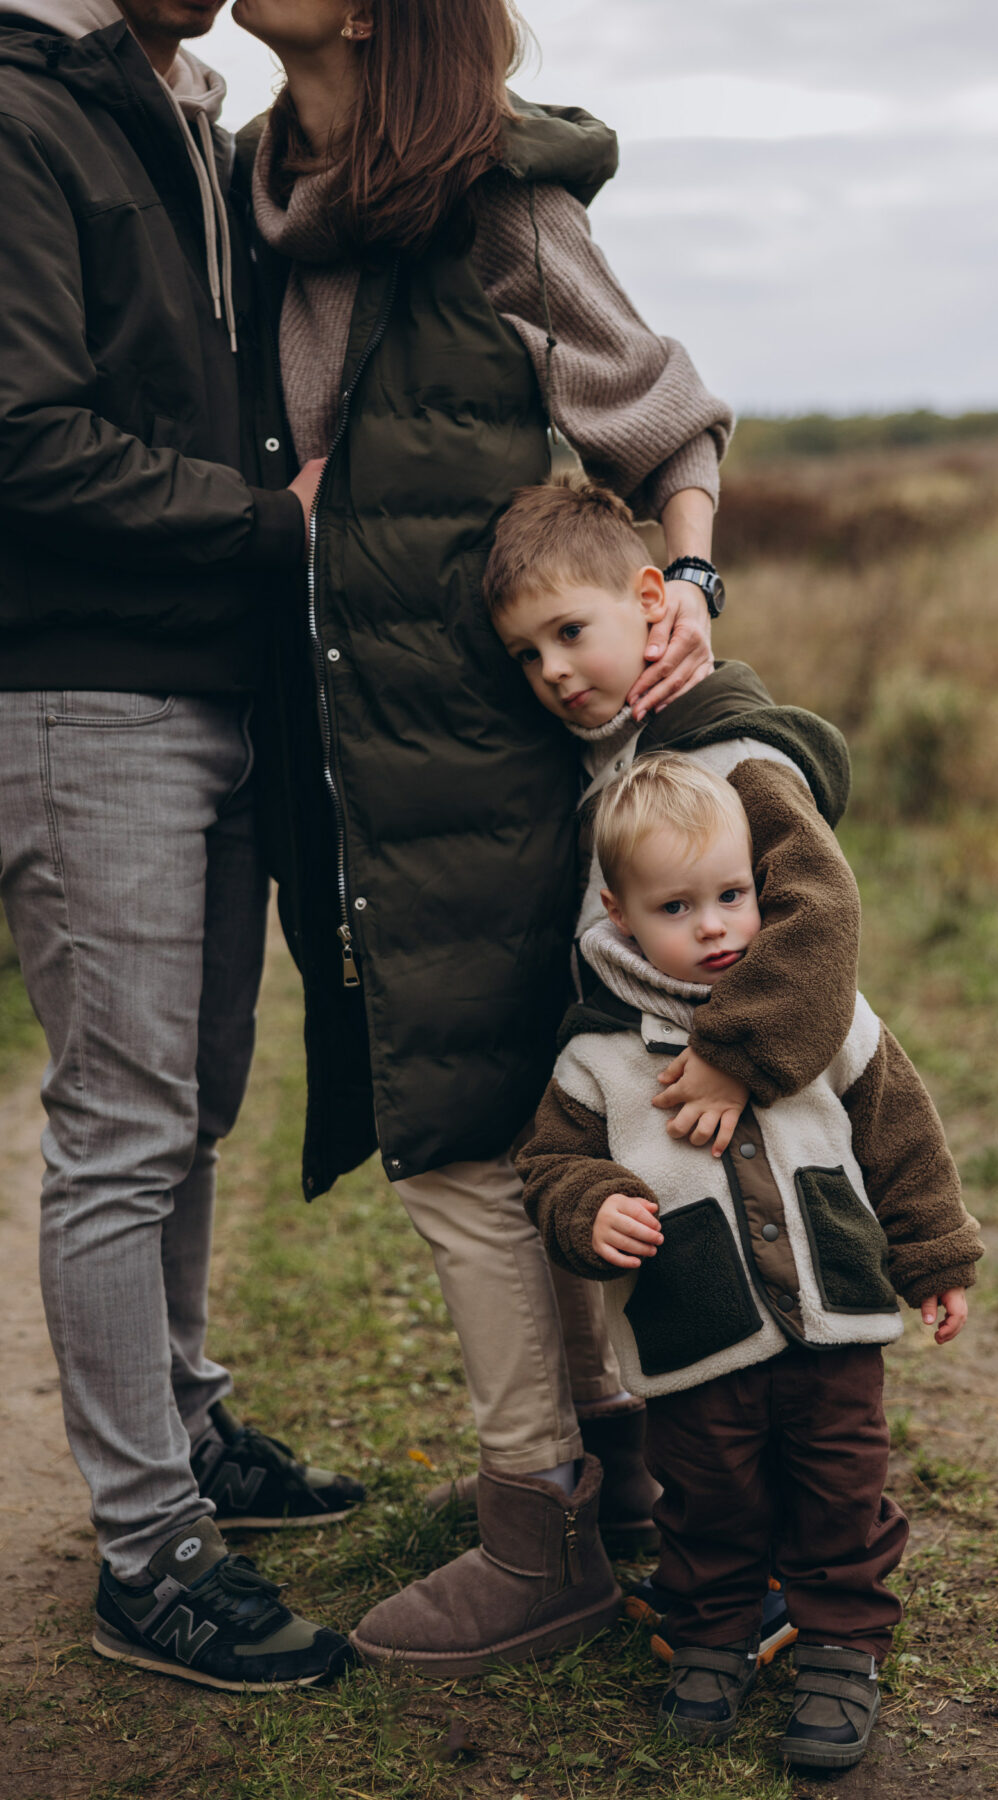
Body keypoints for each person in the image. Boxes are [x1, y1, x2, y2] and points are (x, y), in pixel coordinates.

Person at [231, 0, 736, 1674]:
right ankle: (615, 1470)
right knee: (506, 1123)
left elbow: (663, 414)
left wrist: (688, 581)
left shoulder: (503, 205)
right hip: (340, 774)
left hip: (500, 774)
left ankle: (540, 1531)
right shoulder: (244, 194)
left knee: (465, 1150)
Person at [0, 0, 359, 1690]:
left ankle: (187, 1426)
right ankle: (147, 1557)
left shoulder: (196, 116)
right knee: (122, 1128)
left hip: (216, 679)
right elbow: (20, 437)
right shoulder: (20, 111)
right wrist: (267, 524)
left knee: (196, 1101)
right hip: (84, 690)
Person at [518, 755, 984, 1770]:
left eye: (733, 895)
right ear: (619, 914)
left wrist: (936, 1255)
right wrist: (591, 1207)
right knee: (706, 1497)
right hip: (695, 1336)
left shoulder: (829, 1018)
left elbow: (903, 1140)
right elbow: (549, 1167)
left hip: (834, 1322)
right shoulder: (597, 1057)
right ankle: (711, 1637)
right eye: (677, 907)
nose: (716, 927)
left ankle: (841, 1646)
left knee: (842, 1488)